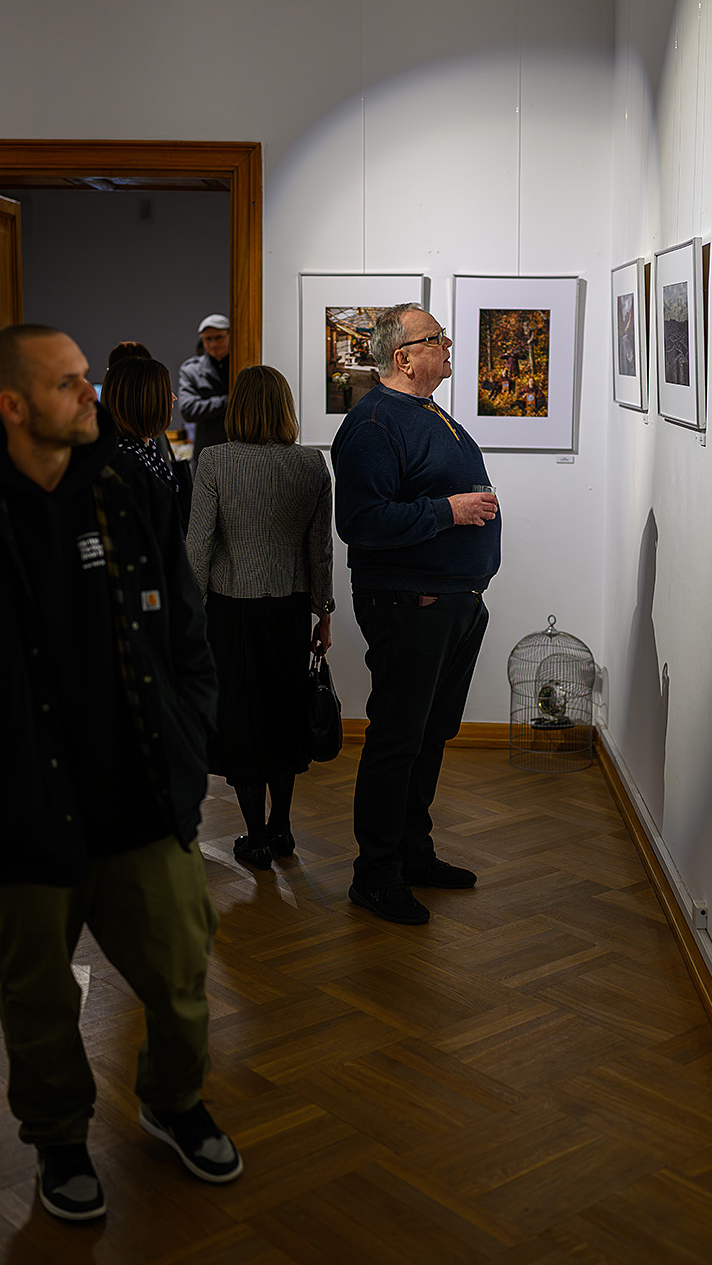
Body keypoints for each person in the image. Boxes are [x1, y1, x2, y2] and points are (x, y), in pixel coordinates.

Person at [0, 323, 241, 1224]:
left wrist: (188, 741)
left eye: (86, 378)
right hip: (19, 815)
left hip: (139, 794)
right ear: (13, 405)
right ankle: (59, 1139)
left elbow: (186, 629)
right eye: (68, 383)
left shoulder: (127, 489)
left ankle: (173, 1101)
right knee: (37, 1001)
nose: (90, 395)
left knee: (181, 975)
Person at [331, 305, 501, 926]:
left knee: (429, 734)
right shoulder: (374, 423)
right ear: (403, 357)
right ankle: (375, 875)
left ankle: (411, 854)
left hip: (452, 601)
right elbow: (361, 522)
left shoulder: (425, 411)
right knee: (398, 737)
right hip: (411, 603)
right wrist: (449, 512)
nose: (448, 344)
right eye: (436, 338)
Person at [186, 365, 334, 871]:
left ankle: (254, 837)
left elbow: (198, 546)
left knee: (241, 717)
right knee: (283, 709)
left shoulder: (215, 460)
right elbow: (320, 550)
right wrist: (324, 613)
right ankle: (282, 827)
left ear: (238, 409)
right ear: (285, 408)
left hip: (231, 610)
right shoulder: (311, 463)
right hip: (289, 608)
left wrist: (190, 614)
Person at [100, 355, 190, 529]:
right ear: (145, 401)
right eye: (165, 391)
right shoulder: (128, 463)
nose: (173, 398)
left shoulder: (146, 447)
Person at [177, 314, 230, 467]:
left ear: (230, 336)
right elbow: (188, 409)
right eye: (208, 339)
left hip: (239, 452)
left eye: (219, 337)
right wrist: (227, 401)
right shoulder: (191, 370)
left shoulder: (243, 364)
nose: (213, 344)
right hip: (207, 453)